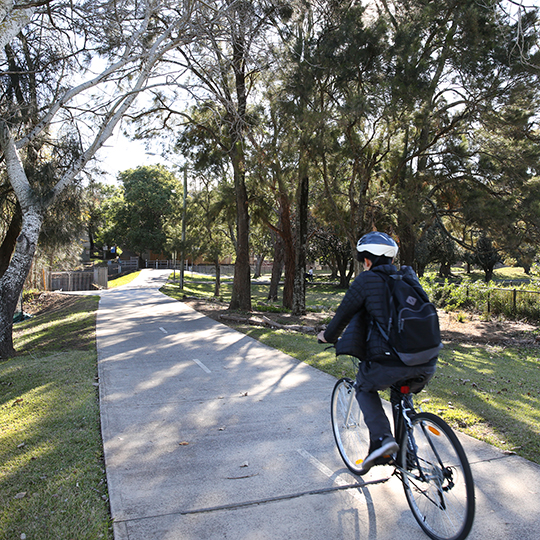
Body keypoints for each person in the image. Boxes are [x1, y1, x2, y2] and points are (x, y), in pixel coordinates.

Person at [317, 231, 438, 473]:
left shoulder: (366, 280)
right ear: (391, 260)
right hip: (427, 359)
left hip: (390, 361)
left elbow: (343, 316)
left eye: (364, 260)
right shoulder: (409, 278)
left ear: (368, 260)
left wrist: (326, 336)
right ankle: (408, 455)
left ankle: (383, 440)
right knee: (401, 397)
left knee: (363, 385)